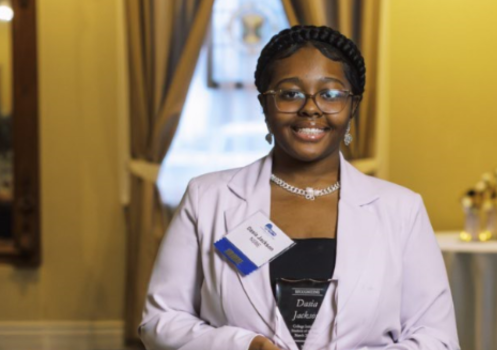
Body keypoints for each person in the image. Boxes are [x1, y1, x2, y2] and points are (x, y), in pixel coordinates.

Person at [138, 25, 460, 350]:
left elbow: (437, 338)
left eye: (330, 94)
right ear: (265, 105)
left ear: (353, 107)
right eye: (290, 93)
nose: (310, 108)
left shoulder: (401, 209)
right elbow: (161, 320)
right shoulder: (207, 199)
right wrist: (243, 346)